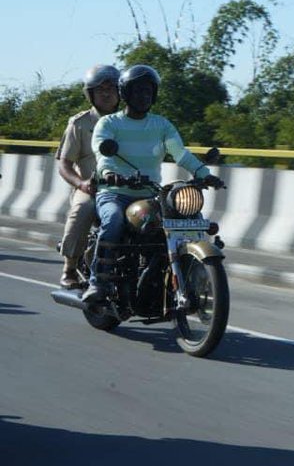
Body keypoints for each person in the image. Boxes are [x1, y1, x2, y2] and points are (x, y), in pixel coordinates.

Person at [81, 64, 221, 304]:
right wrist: (110, 174)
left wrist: (204, 173)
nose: (143, 96)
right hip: (114, 193)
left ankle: (193, 276)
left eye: (148, 91)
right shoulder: (110, 124)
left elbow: (181, 154)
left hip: (150, 195)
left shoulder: (161, 125)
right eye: (137, 91)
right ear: (125, 94)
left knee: (189, 219)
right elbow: (103, 155)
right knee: (113, 220)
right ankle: (97, 282)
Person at [55, 64, 121, 288]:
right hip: (92, 189)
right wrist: (81, 184)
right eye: (100, 89)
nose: (106, 93)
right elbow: (64, 163)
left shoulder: (131, 122)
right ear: (90, 93)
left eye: (111, 88)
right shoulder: (80, 123)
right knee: (82, 209)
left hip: (126, 188)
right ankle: (70, 267)